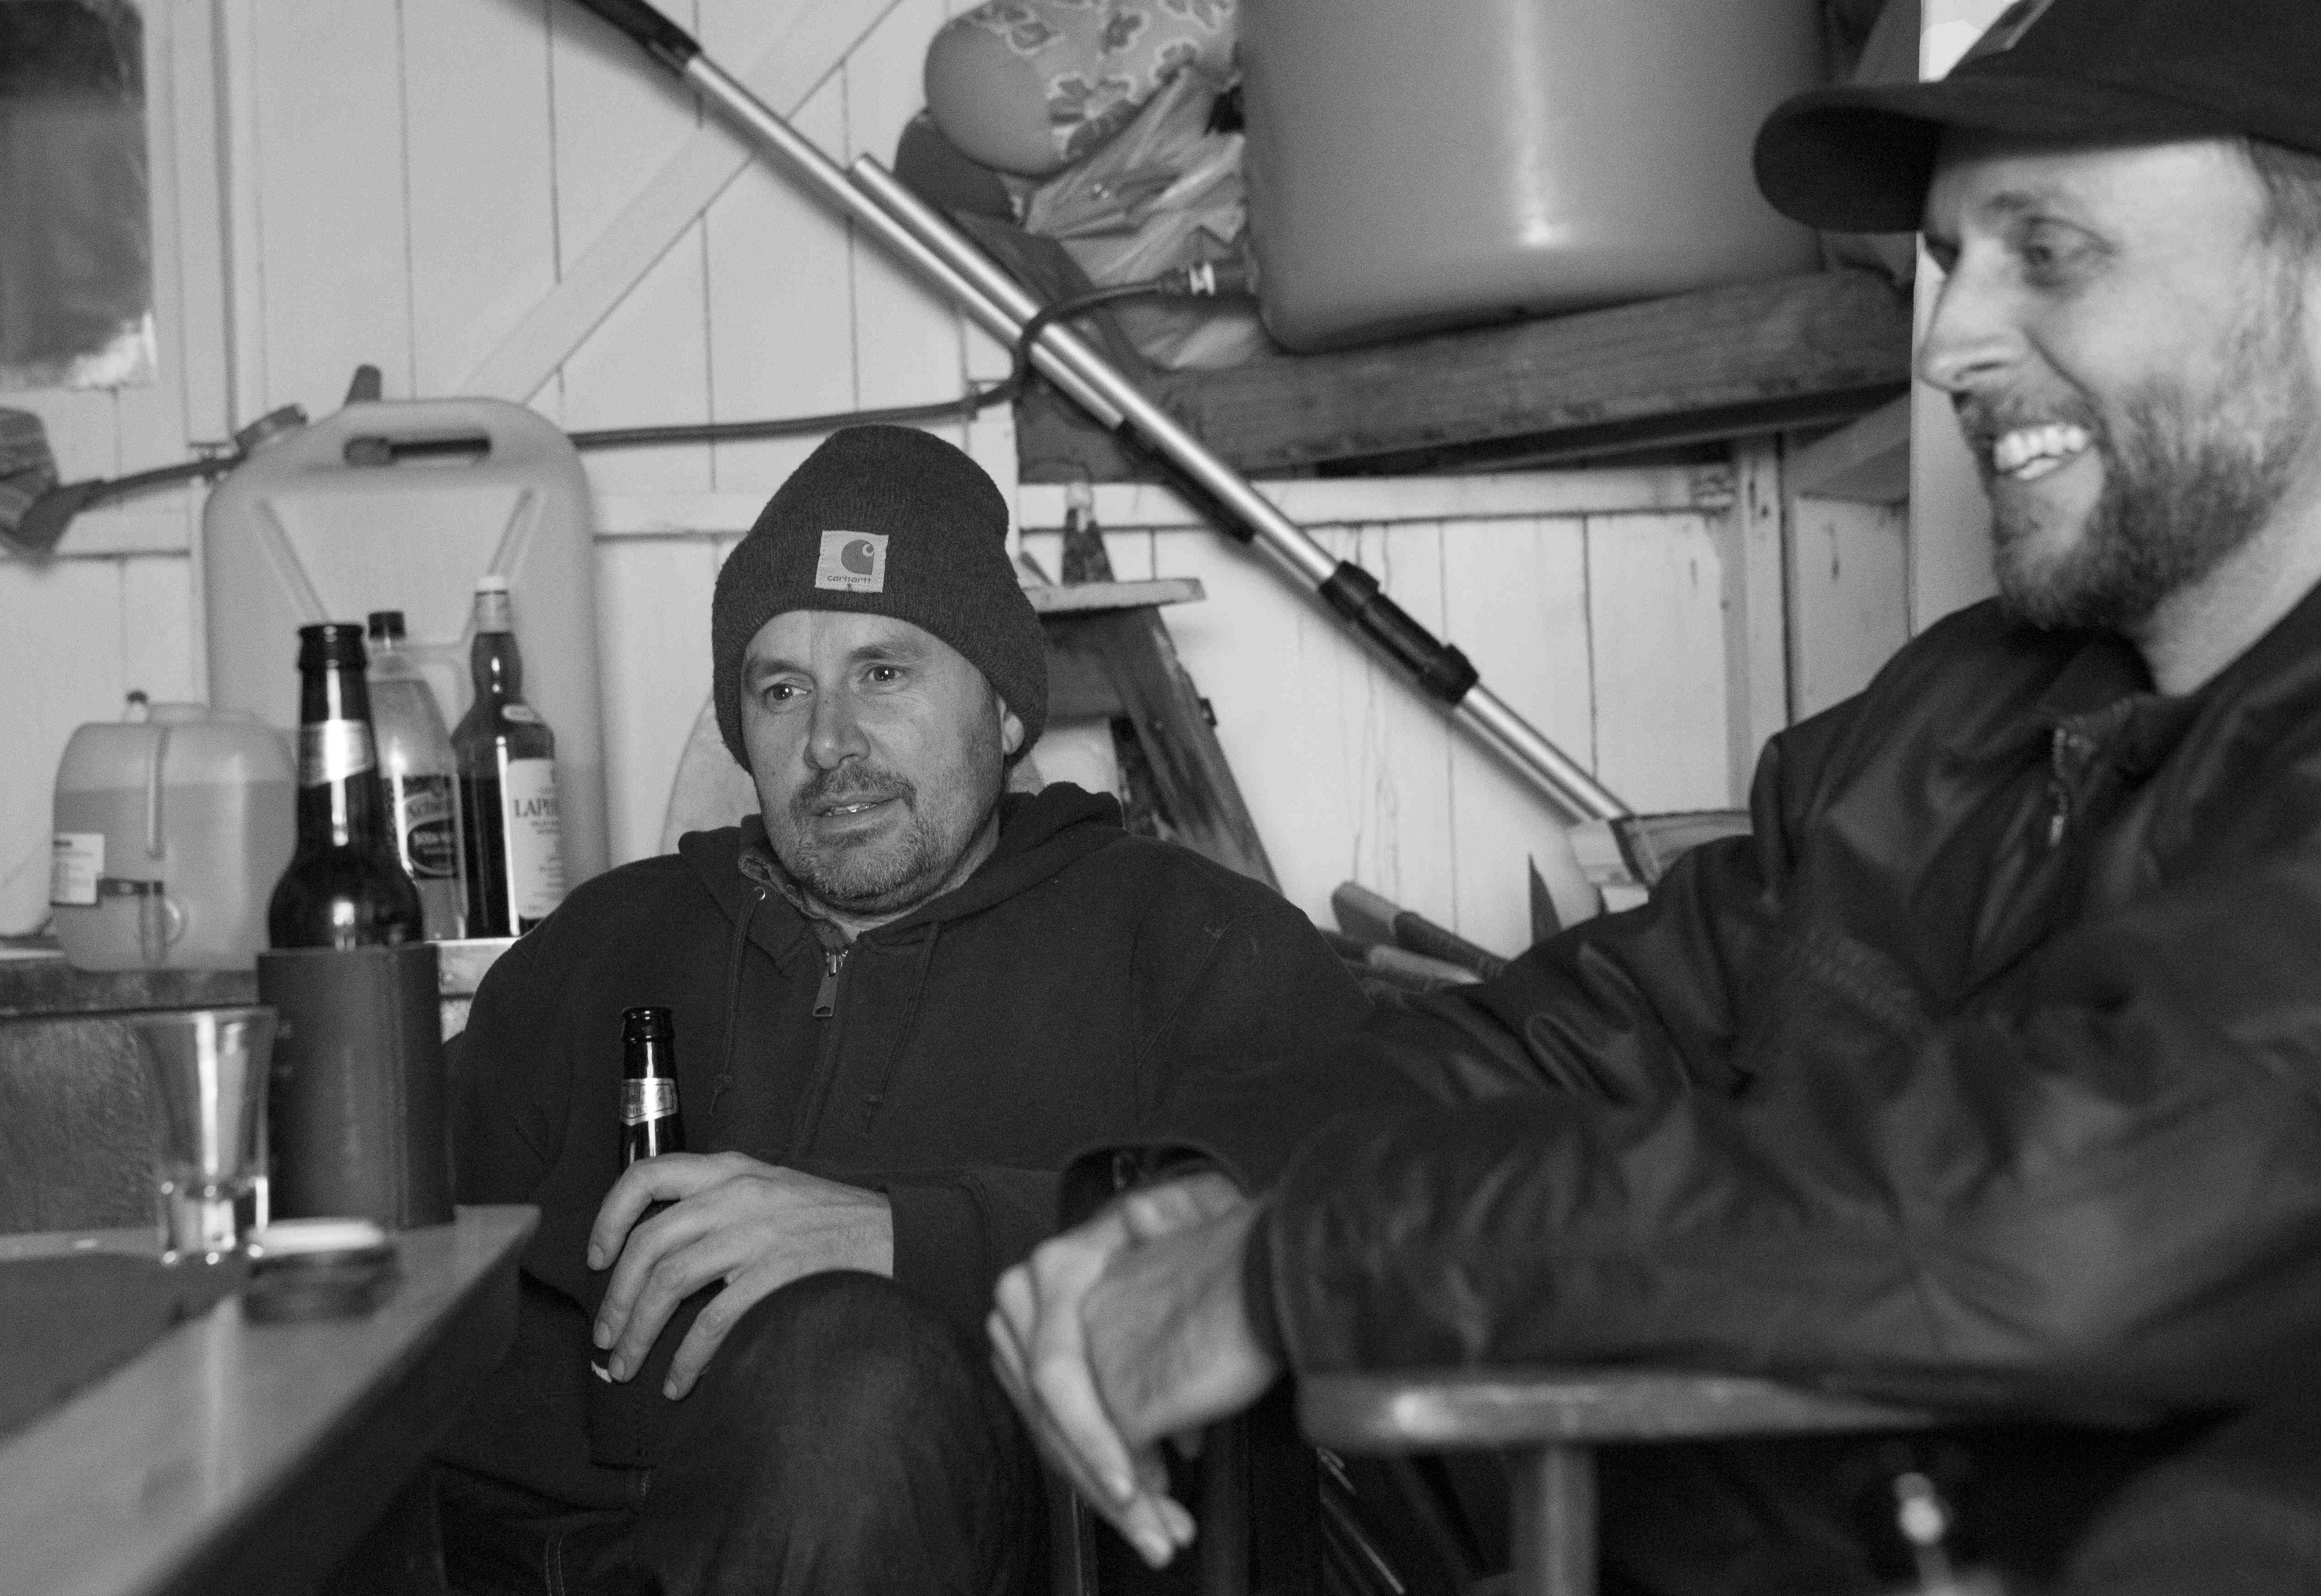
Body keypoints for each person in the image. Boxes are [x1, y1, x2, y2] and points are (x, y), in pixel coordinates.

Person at [991, 0, 2321, 1589]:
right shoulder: (1954, 716)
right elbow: (1588, 1034)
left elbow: (2072, 1211)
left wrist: (1293, 1260)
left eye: (2046, 251)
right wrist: (1210, 1194)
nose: (1944, 342)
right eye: (1944, 258)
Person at [433, 425, 1369, 1596]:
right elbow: (377, 1252)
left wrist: (908, 1240)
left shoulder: (1190, 943)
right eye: (783, 689)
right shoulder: (602, 946)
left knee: (849, 1380)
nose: (829, 741)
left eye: (883, 673)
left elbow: (1360, 1220)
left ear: (1007, 712)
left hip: (1007, 1549)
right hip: (569, 1559)